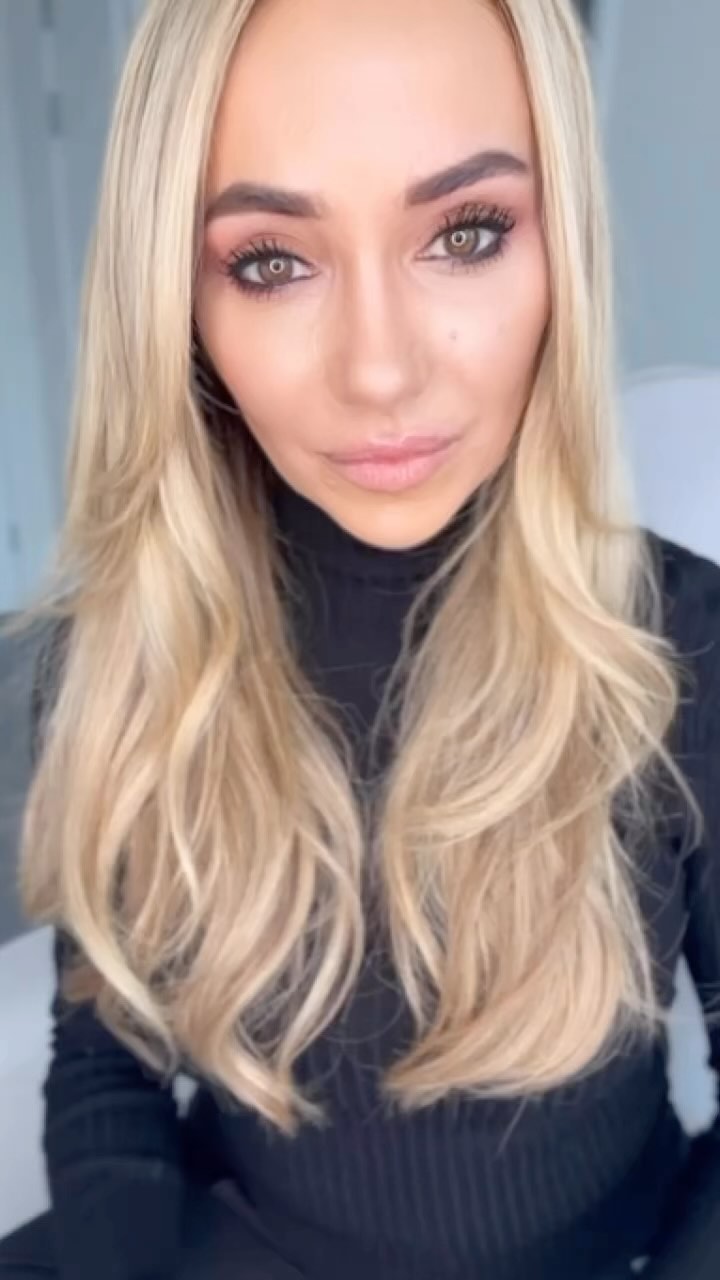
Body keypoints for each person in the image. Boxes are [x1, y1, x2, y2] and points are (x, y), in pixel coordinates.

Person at [0, 0, 718, 1276]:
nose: (379, 371)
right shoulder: (136, 652)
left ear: (563, 248)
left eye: (467, 232)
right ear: (179, 302)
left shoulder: (684, 646)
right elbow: (106, 1059)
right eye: (271, 260)